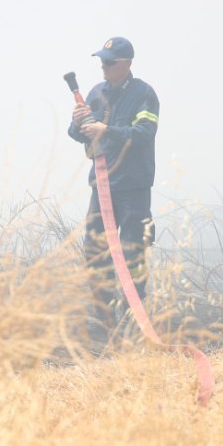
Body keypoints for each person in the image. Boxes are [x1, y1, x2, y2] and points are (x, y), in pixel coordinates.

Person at [67, 36, 159, 336]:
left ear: (127, 63)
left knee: (133, 255)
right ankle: (104, 323)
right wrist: (77, 122)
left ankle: (135, 324)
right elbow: (80, 134)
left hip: (133, 188)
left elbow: (144, 133)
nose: (104, 67)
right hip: (102, 187)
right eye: (102, 62)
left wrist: (106, 130)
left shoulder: (144, 94)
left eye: (110, 62)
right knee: (95, 252)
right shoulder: (96, 93)